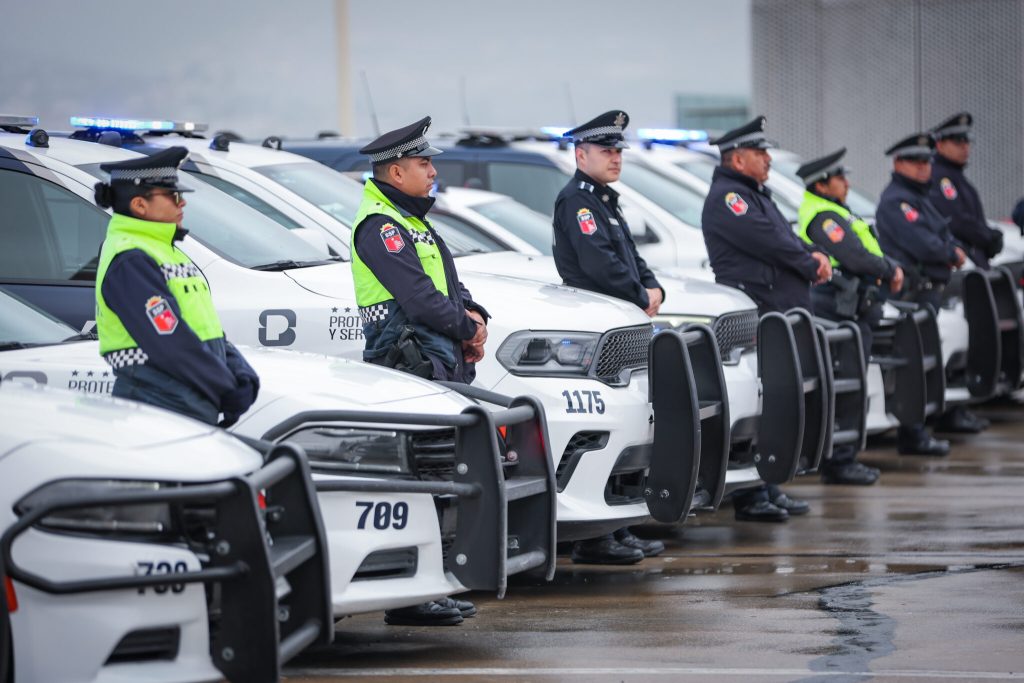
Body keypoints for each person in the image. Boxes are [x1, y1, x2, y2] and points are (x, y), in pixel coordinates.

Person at [351, 116, 487, 626]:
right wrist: (465, 328)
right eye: (424, 163)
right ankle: (412, 595)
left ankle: (427, 585)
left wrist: (475, 317)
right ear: (395, 171)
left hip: (435, 356)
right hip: (409, 360)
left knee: (435, 474)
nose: (432, 171)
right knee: (418, 476)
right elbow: (418, 300)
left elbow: (449, 286)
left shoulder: (411, 220)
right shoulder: (381, 227)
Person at [701, 115, 831, 522]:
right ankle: (754, 494)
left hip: (779, 311)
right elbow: (770, 242)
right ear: (738, 159)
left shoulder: (753, 192)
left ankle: (767, 484)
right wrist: (810, 263)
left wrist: (811, 255)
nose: (767, 159)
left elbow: (786, 235)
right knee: (766, 401)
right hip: (763, 312)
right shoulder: (730, 197)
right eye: (760, 153)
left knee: (777, 400)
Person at [551, 110, 667, 565]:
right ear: (581, 154)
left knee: (633, 425)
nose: (616, 157)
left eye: (619, 150)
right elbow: (599, 263)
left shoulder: (603, 200)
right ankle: (596, 538)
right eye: (606, 150)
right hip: (598, 327)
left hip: (621, 323)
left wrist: (653, 288)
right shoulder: (578, 202)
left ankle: (616, 526)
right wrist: (641, 294)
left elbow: (631, 254)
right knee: (612, 428)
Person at [94, 147, 259, 428]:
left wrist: (240, 371)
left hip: (184, 399)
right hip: (158, 404)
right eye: (173, 196)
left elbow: (203, 328)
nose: (182, 203)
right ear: (139, 205)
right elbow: (170, 341)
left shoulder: (165, 250)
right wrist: (224, 387)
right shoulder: (131, 258)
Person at [796, 148, 907, 480]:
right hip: (837, 309)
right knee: (845, 383)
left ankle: (844, 457)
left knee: (851, 382)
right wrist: (890, 270)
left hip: (851, 308)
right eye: (840, 177)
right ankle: (839, 461)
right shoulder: (824, 217)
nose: (846, 183)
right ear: (822, 184)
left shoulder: (834, 210)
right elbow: (855, 257)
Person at [876, 131, 965, 455]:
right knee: (912, 366)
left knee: (924, 364)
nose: (925, 167)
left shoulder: (918, 196)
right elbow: (923, 243)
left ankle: (916, 430)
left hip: (926, 295)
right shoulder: (896, 200)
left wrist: (951, 247)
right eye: (916, 161)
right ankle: (912, 434)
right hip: (911, 296)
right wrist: (949, 252)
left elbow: (942, 232)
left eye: (927, 161)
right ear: (898, 163)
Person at [927, 112, 1000, 434]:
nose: (965, 147)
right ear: (940, 143)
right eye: (958, 141)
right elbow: (957, 221)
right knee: (962, 338)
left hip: (973, 268)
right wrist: (987, 237)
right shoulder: (941, 178)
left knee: (971, 339)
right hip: (960, 271)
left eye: (966, 141)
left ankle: (959, 407)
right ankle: (951, 412)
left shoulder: (954, 176)